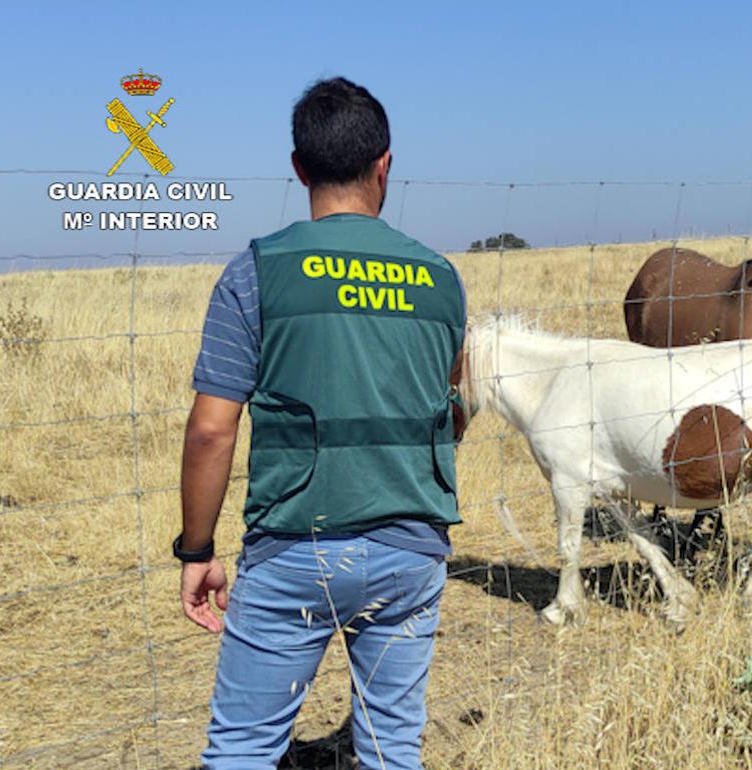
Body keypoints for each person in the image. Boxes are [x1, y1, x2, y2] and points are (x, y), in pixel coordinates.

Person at [175, 76, 467, 770]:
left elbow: (212, 429)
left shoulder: (256, 273)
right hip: (412, 549)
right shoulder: (441, 278)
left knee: (244, 748)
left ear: (299, 167)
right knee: (392, 748)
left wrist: (197, 551)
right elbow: (447, 409)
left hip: (292, 549)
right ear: (385, 165)